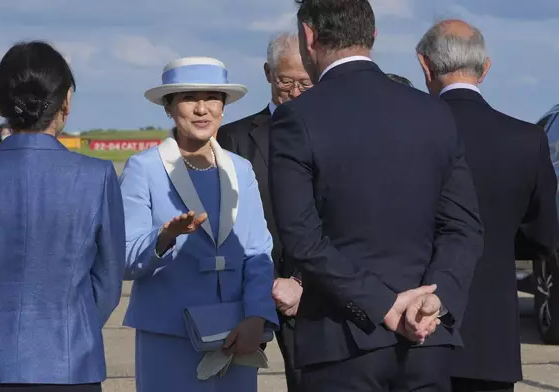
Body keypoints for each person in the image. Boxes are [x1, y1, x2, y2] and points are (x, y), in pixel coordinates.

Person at [268, 0, 484, 390]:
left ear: (308, 36)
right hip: (426, 339)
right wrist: (435, 299)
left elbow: (302, 239)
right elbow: (463, 228)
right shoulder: (432, 111)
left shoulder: (297, 117)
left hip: (342, 342)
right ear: (373, 35)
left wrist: (383, 306)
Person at [0, 41, 125, 391]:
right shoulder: (97, 176)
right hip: (72, 364)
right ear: (66, 101)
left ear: (0, 103)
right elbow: (108, 283)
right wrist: (74, 324)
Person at [416, 20, 559, 392]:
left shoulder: (405, 134)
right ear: (486, 67)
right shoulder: (527, 140)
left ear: (424, 65)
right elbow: (545, 236)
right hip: (491, 339)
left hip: (415, 330)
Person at [120, 56, 279, 391]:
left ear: (223, 107)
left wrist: (257, 316)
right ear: (168, 107)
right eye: (189, 98)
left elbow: (258, 251)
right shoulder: (143, 169)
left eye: (212, 98)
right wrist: (163, 238)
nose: (202, 108)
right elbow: (124, 256)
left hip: (236, 334)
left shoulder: (241, 169)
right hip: (168, 335)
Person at [217, 31, 309, 392]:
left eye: (306, 82)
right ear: (269, 73)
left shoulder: (334, 135)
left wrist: (302, 281)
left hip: (310, 293)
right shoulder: (233, 138)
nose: (296, 91)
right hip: (247, 292)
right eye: (286, 81)